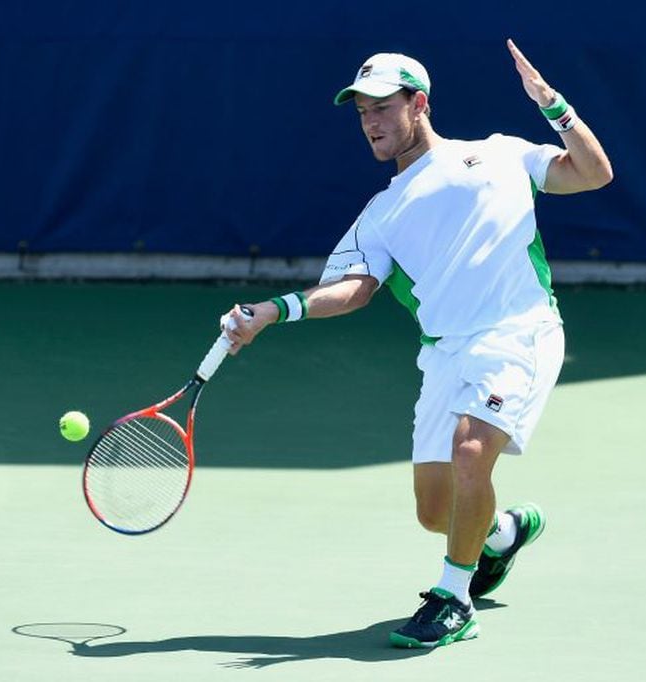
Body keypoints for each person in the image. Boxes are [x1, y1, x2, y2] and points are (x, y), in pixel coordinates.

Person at [221, 40, 613, 648]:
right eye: (361, 112)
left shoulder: (500, 154)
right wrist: (273, 311)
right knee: (437, 511)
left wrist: (554, 106)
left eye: (381, 106)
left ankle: (453, 600)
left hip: (519, 331)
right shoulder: (379, 213)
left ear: (419, 103)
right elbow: (352, 289)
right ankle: (501, 534)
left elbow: (593, 174)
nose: (370, 122)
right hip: (444, 353)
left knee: (469, 453)